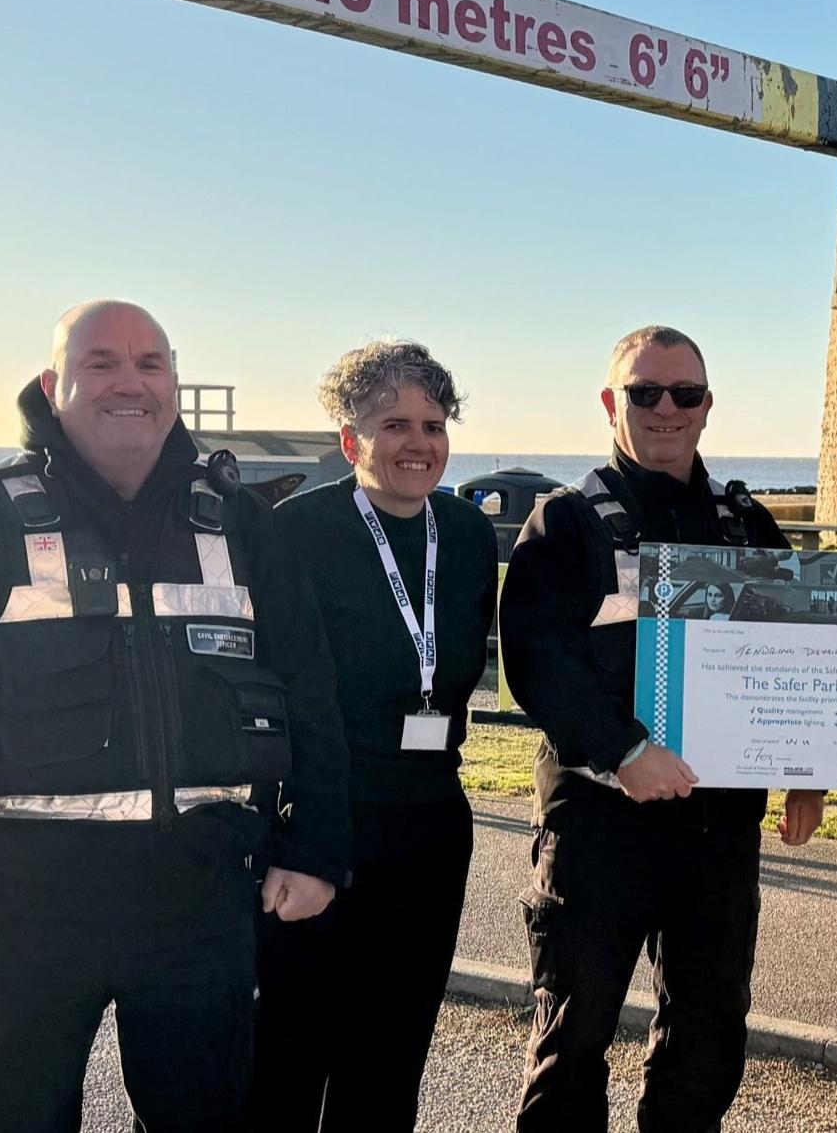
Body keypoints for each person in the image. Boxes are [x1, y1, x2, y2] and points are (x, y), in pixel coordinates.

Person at [0, 300, 351, 1133]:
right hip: (29, 898)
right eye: (103, 364)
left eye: (151, 365)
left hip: (200, 889)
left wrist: (318, 848)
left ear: (175, 386)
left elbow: (310, 692)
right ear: (55, 385)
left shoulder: (236, 522)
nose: (132, 383)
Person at [499, 325, 825, 1132]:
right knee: (572, 1040)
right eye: (644, 393)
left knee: (708, 1040)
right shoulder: (565, 524)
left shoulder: (747, 523)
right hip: (601, 824)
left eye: (684, 393)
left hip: (717, 830)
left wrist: (809, 767)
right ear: (612, 403)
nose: (665, 408)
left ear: (707, 406)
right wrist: (624, 753)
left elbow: (814, 643)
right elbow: (538, 664)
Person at [250, 340, 500, 1131]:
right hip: (323, 819)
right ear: (351, 440)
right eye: (394, 423)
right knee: (290, 1052)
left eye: (432, 423)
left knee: (393, 1052)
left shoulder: (465, 534)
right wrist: (290, 835)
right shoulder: (295, 532)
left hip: (429, 821)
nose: (417, 443)